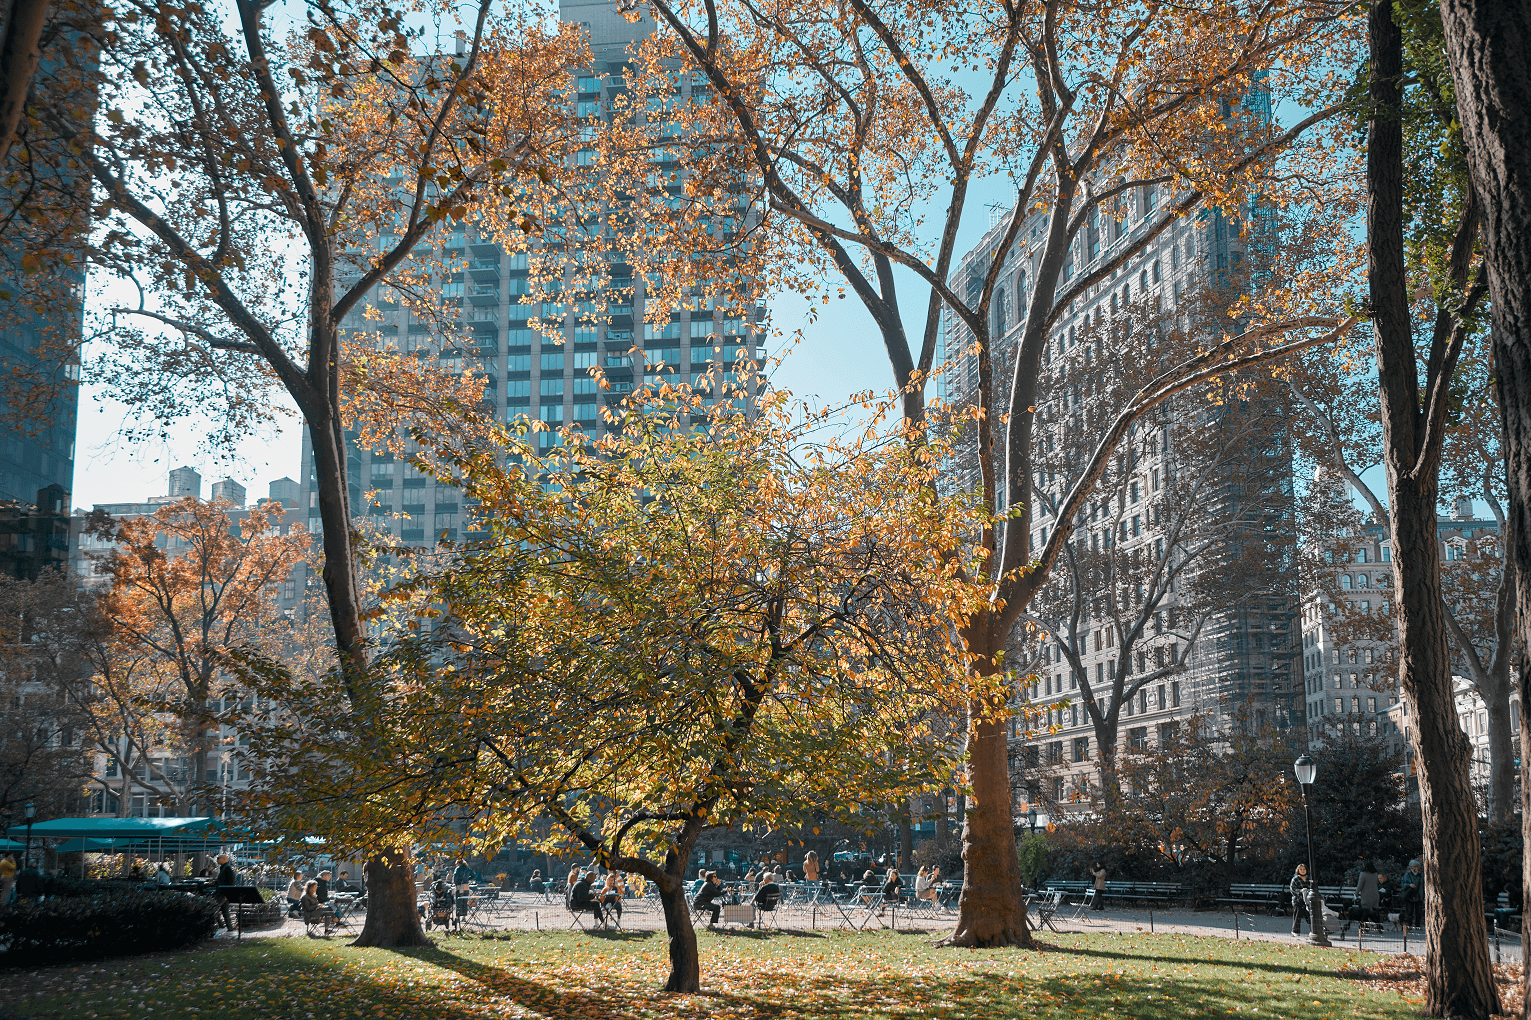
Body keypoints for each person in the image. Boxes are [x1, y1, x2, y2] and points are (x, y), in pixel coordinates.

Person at [214, 854, 238, 930]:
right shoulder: (224, 868)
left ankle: (221, 925)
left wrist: (227, 894)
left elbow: (231, 882)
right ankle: (229, 927)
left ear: (224, 859)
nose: (217, 860)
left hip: (223, 893)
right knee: (225, 911)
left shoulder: (227, 868)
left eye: (218, 858)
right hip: (224, 892)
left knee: (214, 909)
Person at [1399, 859, 1423, 927]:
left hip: (1419, 895)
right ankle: (1409, 924)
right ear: (1411, 867)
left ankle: (1417, 925)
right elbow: (1403, 884)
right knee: (1410, 911)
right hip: (1410, 895)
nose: (1415, 868)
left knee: (1419, 912)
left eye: (1417, 867)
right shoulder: (1407, 875)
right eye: (1414, 867)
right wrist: (1409, 885)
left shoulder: (1421, 875)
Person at [1290, 863, 1310, 936]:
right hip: (1298, 899)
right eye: (1301, 869)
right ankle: (1295, 931)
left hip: (1308, 900)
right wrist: (1301, 891)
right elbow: (1292, 890)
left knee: (1309, 915)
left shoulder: (1309, 878)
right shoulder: (1295, 879)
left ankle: (1313, 930)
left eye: (1304, 869)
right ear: (1298, 870)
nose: (1302, 871)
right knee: (1298, 914)